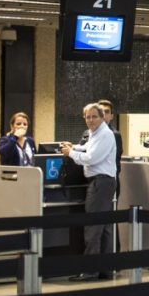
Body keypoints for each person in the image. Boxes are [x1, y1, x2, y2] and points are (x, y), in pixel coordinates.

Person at [60, 103, 117, 280]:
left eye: (94, 116)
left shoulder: (105, 134)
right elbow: (88, 148)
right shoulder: (96, 133)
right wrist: (74, 147)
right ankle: (105, 269)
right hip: (104, 183)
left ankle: (90, 270)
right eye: (87, 117)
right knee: (104, 228)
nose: (90, 120)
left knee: (93, 227)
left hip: (100, 184)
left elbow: (91, 158)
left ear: (102, 117)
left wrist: (70, 153)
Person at [97, 99, 123, 181]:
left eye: (107, 112)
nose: (103, 115)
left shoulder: (114, 135)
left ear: (111, 116)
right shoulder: (88, 133)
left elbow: (114, 161)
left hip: (107, 181)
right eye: (101, 112)